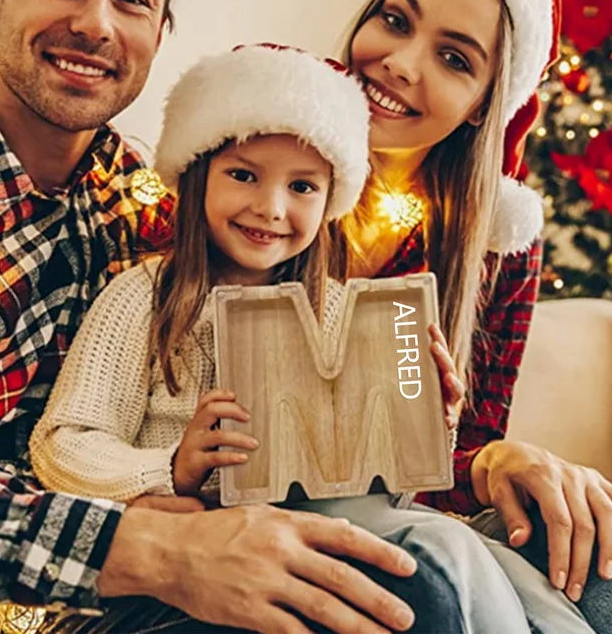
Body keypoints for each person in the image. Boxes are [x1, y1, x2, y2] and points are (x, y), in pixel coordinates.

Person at [0, 0, 434, 634]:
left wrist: (414, 402)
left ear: (161, 30)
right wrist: (143, 545)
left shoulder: (149, 204)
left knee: (395, 581)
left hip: (112, 609)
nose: (95, 21)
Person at [29, 43, 543, 633]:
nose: (271, 208)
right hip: (170, 589)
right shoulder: (144, 298)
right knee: (416, 576)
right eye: (243, 175)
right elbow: (62, 444)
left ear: (330, 202)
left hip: (309, 550)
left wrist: (424, 421)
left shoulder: (341, 310)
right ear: (197, 175)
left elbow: (373, 493)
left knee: (431, 560)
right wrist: (172, 467)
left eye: (302, 187)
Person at [317, 0, 612, 633]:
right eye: (394, 20)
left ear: (487, 102)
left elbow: (449, 466)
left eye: (453, 58)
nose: (399, 63)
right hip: (291, 521)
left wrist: (493, 460)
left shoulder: (496, 247)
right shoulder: (257, 181)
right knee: (432, 572)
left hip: (408, 517)